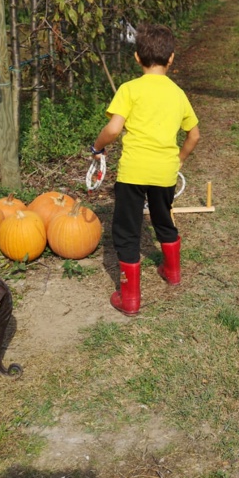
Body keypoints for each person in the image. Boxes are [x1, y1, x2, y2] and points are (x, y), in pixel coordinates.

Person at [91, 24, 200, 315]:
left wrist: (97, 147)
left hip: (133, 173)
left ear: (137, 59)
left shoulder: (130, 89)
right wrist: (179, 160)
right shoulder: (178, 94)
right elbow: (194, 135)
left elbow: (113, 129)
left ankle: (129, 299)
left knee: (127, 232)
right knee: (163, 220)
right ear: (172, 58)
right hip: (164, 172)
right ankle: (172, 273)